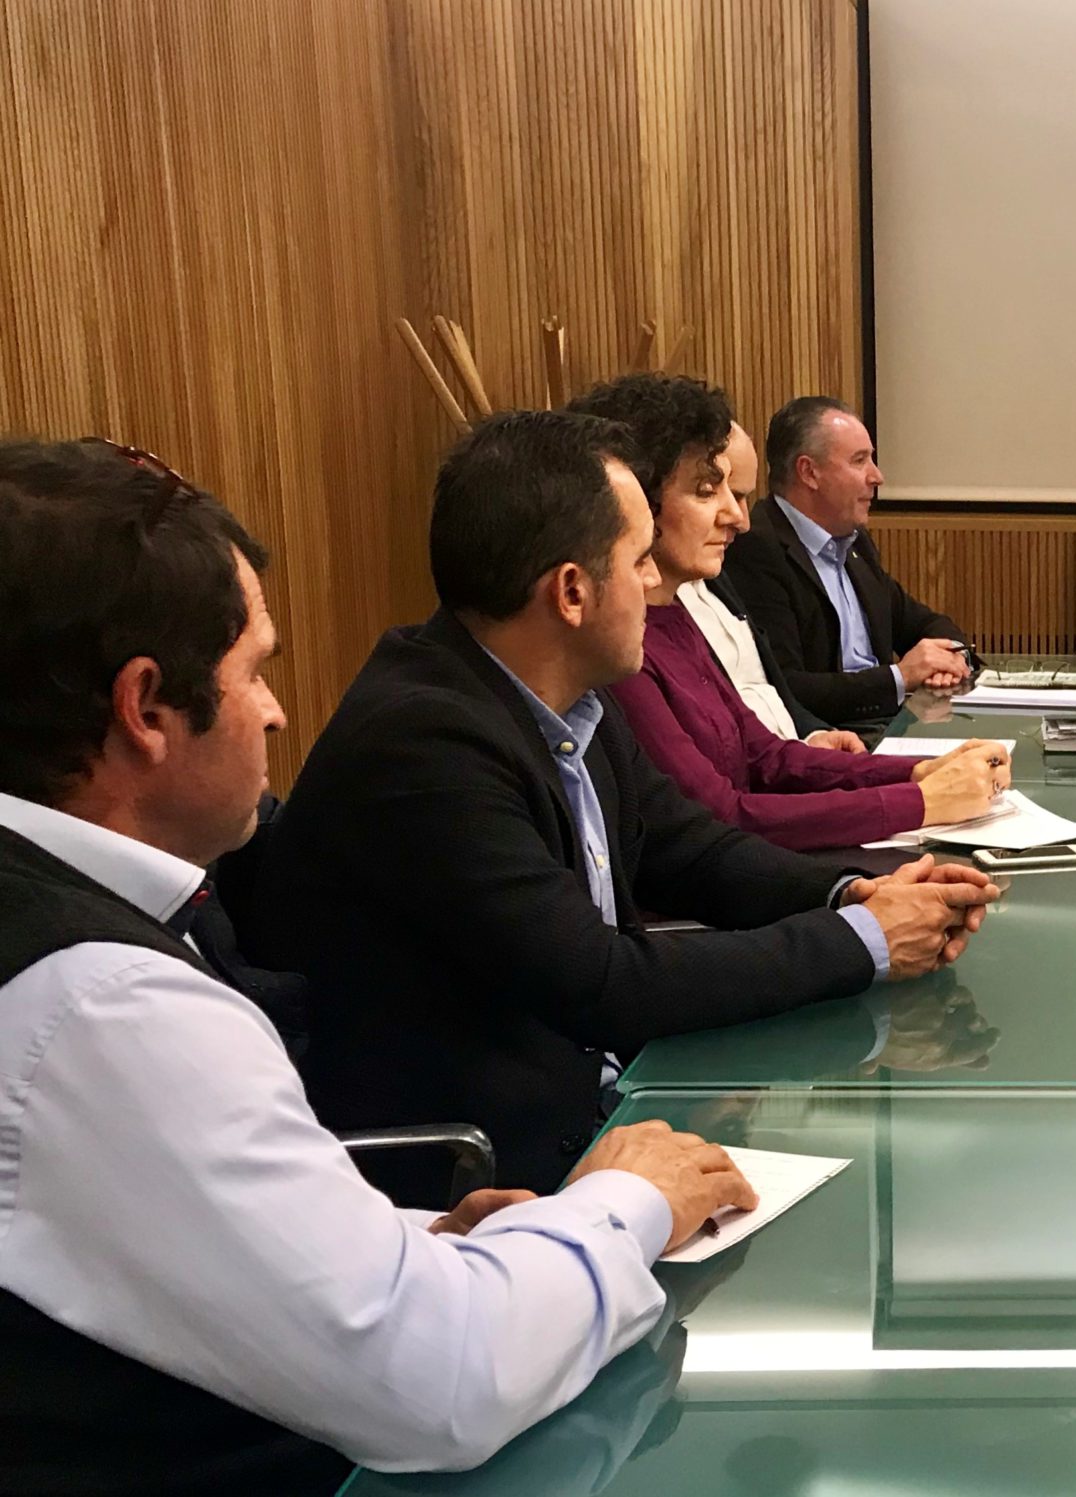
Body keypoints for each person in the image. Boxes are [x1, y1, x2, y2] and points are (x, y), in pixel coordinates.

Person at [0, 436, 766, 1490]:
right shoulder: (99, 1007)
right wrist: (625, 1201)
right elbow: (441, 1383)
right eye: (254, 670)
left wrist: (417, 1241)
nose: (276, 711)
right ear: (146, 709)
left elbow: (156, 1227)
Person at [252, 411, 998, 1196]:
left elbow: (688, 846)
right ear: (572, 591)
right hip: (489, 1183)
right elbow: (601, 982)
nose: (656, 585)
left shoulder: (568, 693)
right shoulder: (425, 743)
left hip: (604, 1113)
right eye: (639, 559)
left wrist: (851, 892)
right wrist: (862, 940)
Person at [569, 374, 1006, 851]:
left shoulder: (676, 613)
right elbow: (721, 817)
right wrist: (921, 801)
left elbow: (765, 755)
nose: (739, 518)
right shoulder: (619, 643)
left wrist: (921, 771)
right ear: (636, 503)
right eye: (707, 490)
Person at [717, 396, 971, 729]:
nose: (877, 476)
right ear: (809, 472)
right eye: (859, 461)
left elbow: (921, 621)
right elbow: (784, 687)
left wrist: (950, 656)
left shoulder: (853, 540)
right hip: (830, 736)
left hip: (889, 724)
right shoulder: (755, 548)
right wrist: (898, 677)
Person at [676, 419, 845, 744]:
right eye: (709, 492)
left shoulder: (717, 577)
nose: (741, 520)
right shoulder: (752, 553)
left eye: (741, 497)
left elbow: (770, 688)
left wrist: (816, 735)